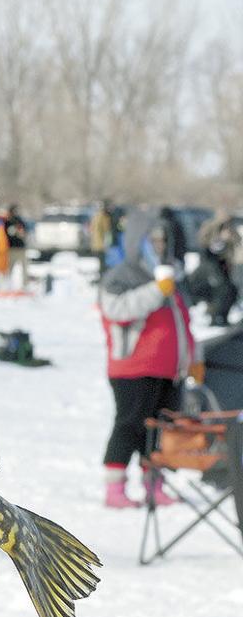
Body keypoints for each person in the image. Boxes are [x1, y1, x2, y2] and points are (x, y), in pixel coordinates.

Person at [98, 207, 200, 508]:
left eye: (162, 240)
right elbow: (116, 310)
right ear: (137, 241)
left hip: (168, 369)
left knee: (159, 430)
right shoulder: (122, 276)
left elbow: (182, 324)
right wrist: (156, 290)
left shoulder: (171, 275)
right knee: (129, 425)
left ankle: (154, 484)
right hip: (133, 367)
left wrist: (192, 358)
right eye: (152, 240)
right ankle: (115, 489)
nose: (159, 246)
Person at [195, 210, 239, 327]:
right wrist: (220, 239)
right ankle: (213, 316)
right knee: (220, 289)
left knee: (231, 291)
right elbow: (204, 242)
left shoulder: (230, 228)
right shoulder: (210, 226)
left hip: (224, 264)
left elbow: (236, 244)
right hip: (210, 264)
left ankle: (223, 316)